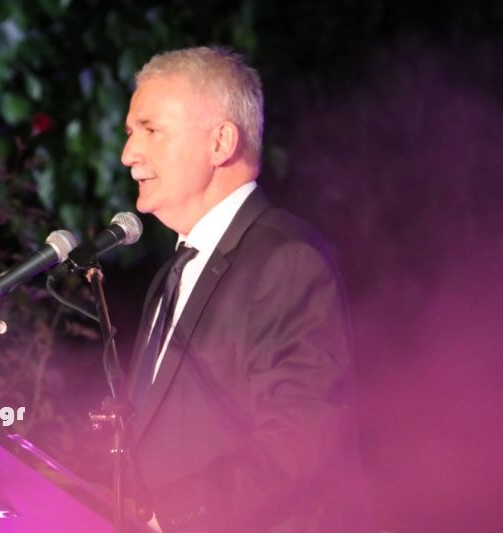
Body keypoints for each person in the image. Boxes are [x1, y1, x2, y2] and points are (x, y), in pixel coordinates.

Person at [121, 46, 368, 533]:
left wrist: (168, 515)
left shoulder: (285, 260)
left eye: (150, 130)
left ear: (221, 143)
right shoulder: (170, 276)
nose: (129, 154)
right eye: (130, 133)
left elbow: (303, 436)